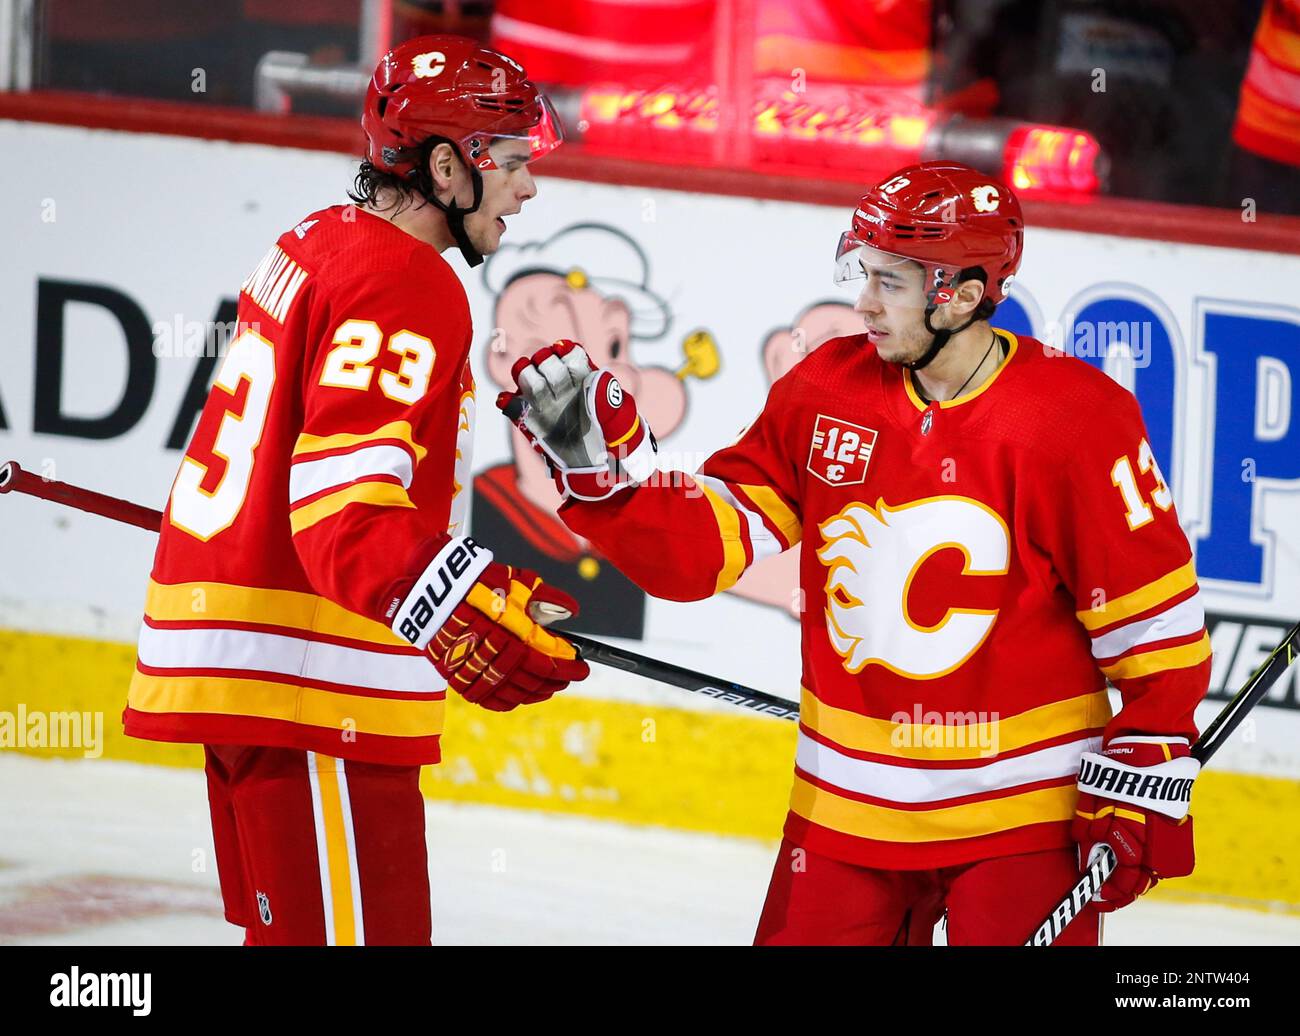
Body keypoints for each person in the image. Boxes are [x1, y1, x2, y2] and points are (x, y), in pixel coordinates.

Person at [500, 162, 1211, 945]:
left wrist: (1148, 755)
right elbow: (706, 552)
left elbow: (1154, 631)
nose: (863, 302)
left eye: (891, 283)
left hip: (1025, 819)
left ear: (965, 295)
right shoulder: (824, 390)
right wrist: (600, 486)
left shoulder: (1075, 420)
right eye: (861, 271)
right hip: (843, 813)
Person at [123, 35, 588, 946]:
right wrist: (460, 599)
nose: (530, 187)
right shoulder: (408, 281)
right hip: (311, 687)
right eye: (518, 163)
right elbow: (343, 510)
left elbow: (287, 468)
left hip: (257, 678)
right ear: (451, 165)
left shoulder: (315, 238)